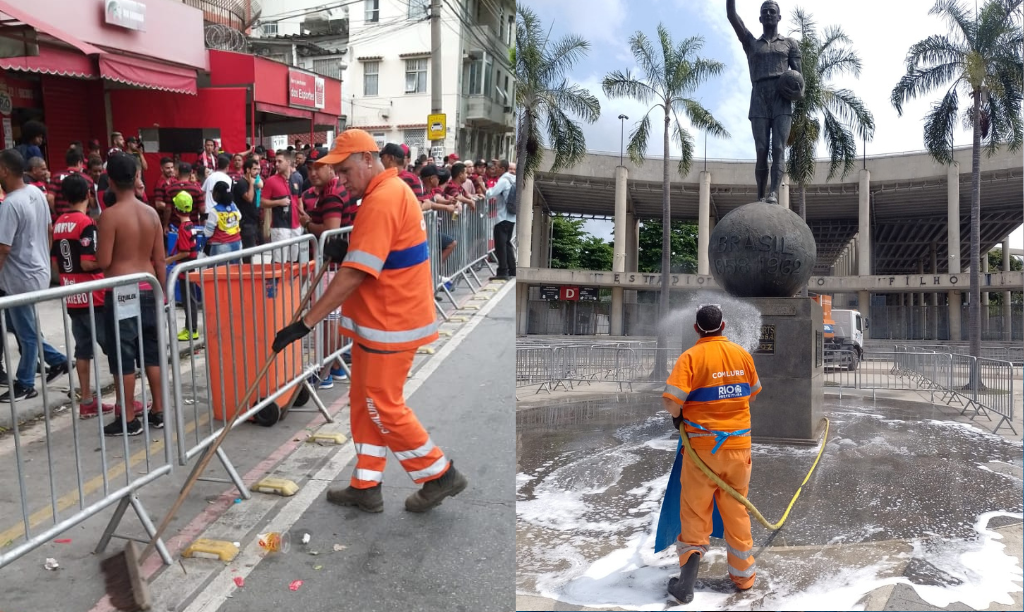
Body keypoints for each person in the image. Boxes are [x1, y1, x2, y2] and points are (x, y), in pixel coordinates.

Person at [272, 129, 468, 514]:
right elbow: (378, 253)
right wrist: (348, 248)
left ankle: (439, 474)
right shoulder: (385, 194)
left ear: (367, 158)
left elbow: (356, 274)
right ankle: (366, 483)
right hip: (380, 320)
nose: (341, 180)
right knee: (364, 403)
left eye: (345, 170)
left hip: (390, 322)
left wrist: (306, 323)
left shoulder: (383, 199)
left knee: (383, 405)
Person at [662, 304, 761, 604]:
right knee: (736, 511)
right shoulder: (742, 355)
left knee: (694, 514)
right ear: (724, 326)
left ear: (696, 328)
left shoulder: (691, 357)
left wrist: (679, 417)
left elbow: (672, 401)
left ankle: (685, 585)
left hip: (702, 450)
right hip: (738, 448)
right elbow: (753, 391)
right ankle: (744, 579)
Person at [95, 154, 167, 436]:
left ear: (110, 181)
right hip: (149, 286)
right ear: (136, 176)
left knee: (123, 354)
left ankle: (127, 417)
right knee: (152, 352)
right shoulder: (150, 213)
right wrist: (162, 293)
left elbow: (103, 260)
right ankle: (158, 410)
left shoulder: (109, 216)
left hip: (122, 289)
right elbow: (160, 259)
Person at [0, 149, 70, 402]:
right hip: (36, 271)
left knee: (26, 334)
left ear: (5, 171)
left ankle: (25, 383)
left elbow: (4, 248)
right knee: (18, 325)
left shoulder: (10, 204)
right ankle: (58, 359)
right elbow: (49, 229)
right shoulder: (36, 193)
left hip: (20, 278)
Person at [726, 0, 802, 203]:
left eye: (772, 11)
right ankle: (760, 194)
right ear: (760, 18)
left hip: (781, 99)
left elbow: (799, 80)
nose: (768, 14)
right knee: (761, 150)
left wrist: (795, 92)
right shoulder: (751, 43)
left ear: (779, 17)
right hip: (758, 96)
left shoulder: (789, 44)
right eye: (765, 12)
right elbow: (732, 16)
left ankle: (774, 193)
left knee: (778, 148)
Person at [50, 173, 112, 418]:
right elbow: (88, 262)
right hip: (93, 296)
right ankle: (123, 403)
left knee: (82, 350)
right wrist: (107, 261)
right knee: (114, 350)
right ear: (89, 193)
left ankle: (86, 401)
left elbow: (56, 264)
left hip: (72, 294)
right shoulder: (86, 223)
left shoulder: (59, 224)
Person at [298, 148, 356, 388]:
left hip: (330, 265)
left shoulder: (332, 194)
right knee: (333, 317)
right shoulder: (331, 191)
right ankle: (335, 366)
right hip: (334, 264)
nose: (312, 173)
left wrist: (308, 223)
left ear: (330, 167)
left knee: (328, 318)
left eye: (317, 167)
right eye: (310, 168)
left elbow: (330, 232)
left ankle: (326, 371)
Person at [167, 192, 201, 341]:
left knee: (188, 300)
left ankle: (192, 330)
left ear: (176, 209)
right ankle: (189, 327)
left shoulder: (182, 229)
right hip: (190, 268)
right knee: (190, 299)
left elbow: (185, 252)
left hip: (184, 270)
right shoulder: (190, 225)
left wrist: (169, 260)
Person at [261, 151, 304, 263]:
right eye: (276, 161)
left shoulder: (297, 179)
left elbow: (299, 201)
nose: (276, 164)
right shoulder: (271, 181)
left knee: (293, 261)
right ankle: (277, 281)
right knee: (279, 262)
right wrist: (278, 202)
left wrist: (302, 217)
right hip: (279, 227)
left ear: (288, 162)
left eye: (280, 161)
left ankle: (290, 280)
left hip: (296, 227)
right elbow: (262, 202)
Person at [485, 160, 516, 280]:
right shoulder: (512, 179)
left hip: (502, 217)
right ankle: (512, 269)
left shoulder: (503, 180)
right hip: (511, 217)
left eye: (497, 167)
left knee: (500, 245)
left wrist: (482, 186)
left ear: (502, 169)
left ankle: (502, 271)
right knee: (507, 244)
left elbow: (490, 193)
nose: (494, 168)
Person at [49, 148, 96, 225]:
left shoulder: (56, 176)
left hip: (61, 222)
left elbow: (50, 198)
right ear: (79, 162)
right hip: (82, 221)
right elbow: (93, 204)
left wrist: (57, 215)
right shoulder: (88, 179)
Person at [204, 179, 243, 259]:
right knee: (234, 270)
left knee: (218, 271)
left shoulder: (214, 211)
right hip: (237, 244)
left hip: (220, 246)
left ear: (216, 194)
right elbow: (240, 216)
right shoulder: (233, 206)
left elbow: (208, 233)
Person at [232, 157, 262, 259]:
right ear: (248, 170)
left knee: (252, 250)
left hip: (253, 220)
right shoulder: (242, 183)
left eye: (258, 169)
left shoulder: (252, 182)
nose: (257, 172)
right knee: (247, 253)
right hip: (245, 223)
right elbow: (249, 198)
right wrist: (251, 184)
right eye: (254, 169)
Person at [152, 157, 177, 227]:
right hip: (163, 222)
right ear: (162, 169)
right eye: (168, 168)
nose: (171, 170)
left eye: (172, 167)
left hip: (174, 220)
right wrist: (174, 207)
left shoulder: (174, 181)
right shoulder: (160, 184)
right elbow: (158, 204)